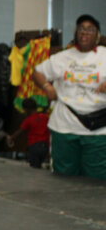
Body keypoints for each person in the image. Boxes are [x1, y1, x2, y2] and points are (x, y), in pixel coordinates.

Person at [32, 14, 106, 179]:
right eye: (81, 29)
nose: (84, 33)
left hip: (98, 133)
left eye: (90, 29)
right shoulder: (63, 57)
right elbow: (37, 72)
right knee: (62, 179)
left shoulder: (104, 56)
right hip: (64, 127)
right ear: (75, 33)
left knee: (96, 182)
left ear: (97, 35)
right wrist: (46, 86)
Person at [6, 97, 49, 168]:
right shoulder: (45, 117)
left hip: (34, 146)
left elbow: (19, 132)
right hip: (45, 146)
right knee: (39, 165)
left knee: (34, 167)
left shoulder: (28, 120)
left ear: (27, 110)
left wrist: (11, 138)